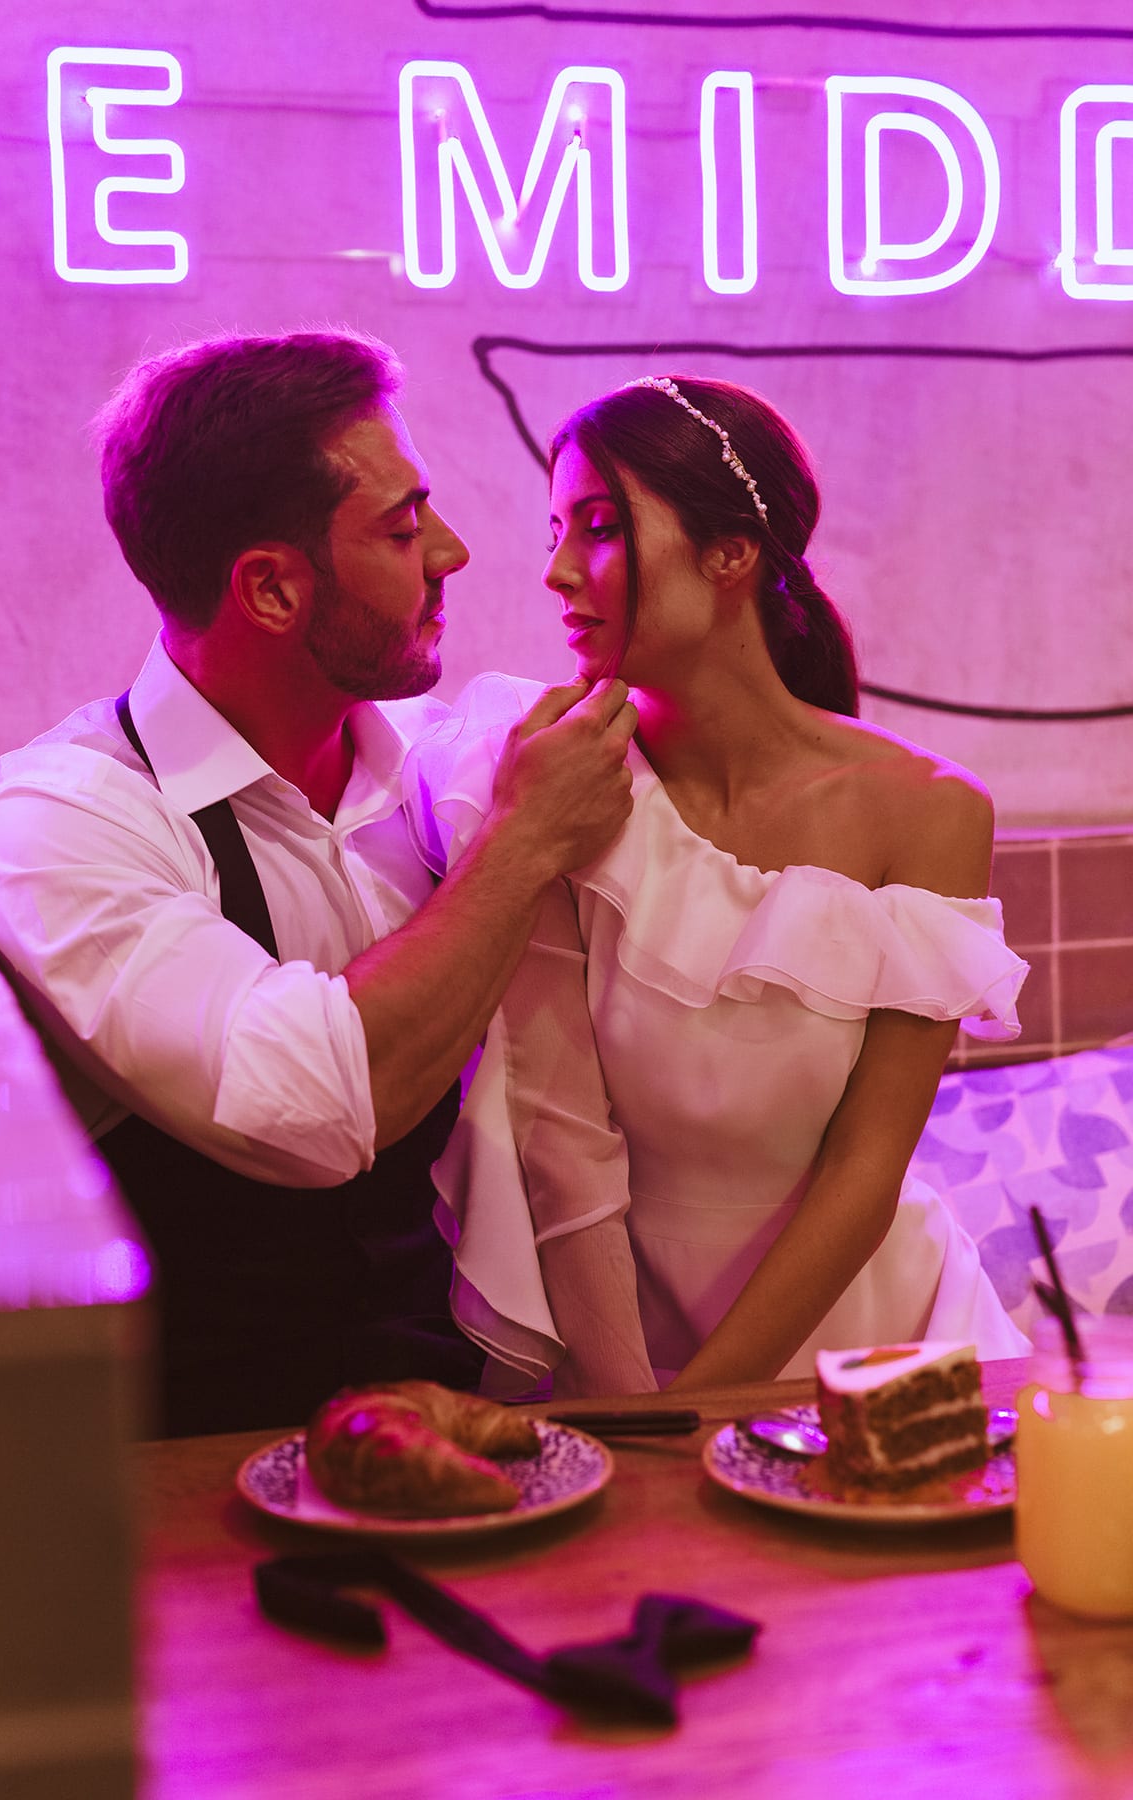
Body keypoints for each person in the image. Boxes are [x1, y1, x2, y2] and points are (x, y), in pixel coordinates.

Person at [0, 329, 637, 1433]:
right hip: (205, 1462)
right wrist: (522, 847)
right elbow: (316, 1109)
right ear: (272, 589)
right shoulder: (64, 824)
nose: (453, 553)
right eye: (403, 529)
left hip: (466, 1430)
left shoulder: (440, 766)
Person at [406, 374, 1031, 1397]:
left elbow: (866, 1167)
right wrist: (638, 1411)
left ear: (731, 554)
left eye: (600, 527)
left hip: (874, 1342)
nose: (556, 571)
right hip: (618, 1342)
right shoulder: (555, 776)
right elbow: (562, 1145)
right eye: (556, 531)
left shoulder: (930, 810)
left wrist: (706, 1403)